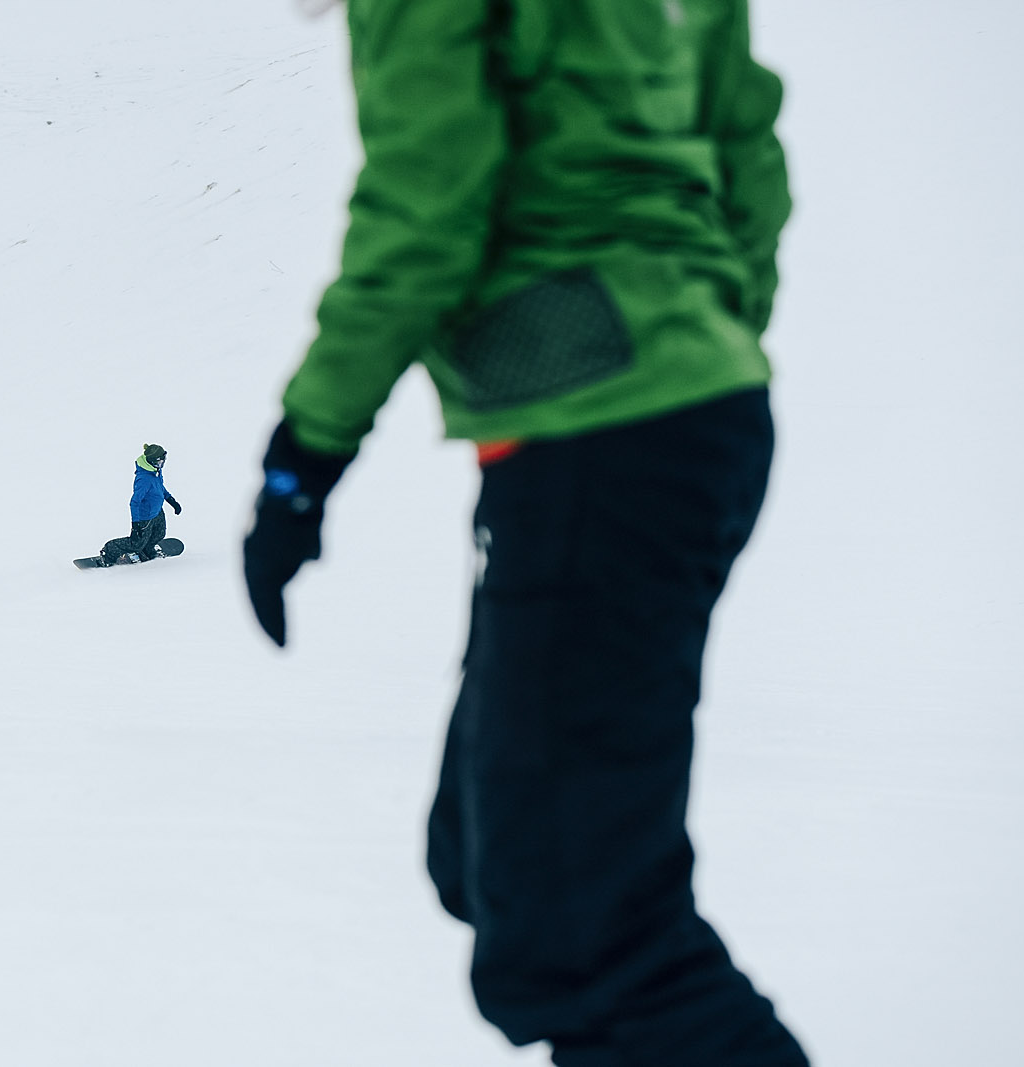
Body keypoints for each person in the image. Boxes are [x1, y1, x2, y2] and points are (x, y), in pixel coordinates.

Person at [242, 1, 809, 1064]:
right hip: (694, 420)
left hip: (604, 438)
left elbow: (424, 213)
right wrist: (696, 333)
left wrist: (302, 458)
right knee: (486, 852)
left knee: (579, 925)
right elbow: (748, 158)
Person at [96, 443, 182, 566]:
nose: (162, 464)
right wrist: (135, 525)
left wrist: (171, 500)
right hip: (144, 517)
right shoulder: (144, 479)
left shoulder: (156, 471)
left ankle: (147, 550)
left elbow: (159, 487)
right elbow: (134, 502)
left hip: (157, 511)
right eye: (160, 461)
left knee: (159, 534)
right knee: (136, 544)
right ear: (152, 461)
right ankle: (109, 551)